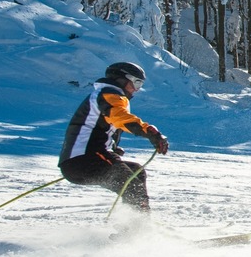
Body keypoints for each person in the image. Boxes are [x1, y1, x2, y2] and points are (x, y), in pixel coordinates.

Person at [58, 61, 169, 216]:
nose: (137, 90)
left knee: (136, 171)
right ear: (122, 80)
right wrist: (149, 132)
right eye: (136, 83)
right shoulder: (109, 94)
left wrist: (113, 148)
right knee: (131, 184)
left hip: (81, 161)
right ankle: (139, 228)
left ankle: (133, 222)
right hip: (85, 159)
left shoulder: (107, 96)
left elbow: (104, 127)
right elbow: (121, 119)